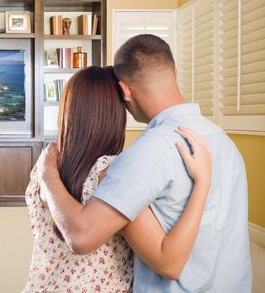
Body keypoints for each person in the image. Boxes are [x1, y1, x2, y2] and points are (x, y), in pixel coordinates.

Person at [36, 34, 252, 292]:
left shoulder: (146, 152)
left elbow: (81, 237)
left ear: (125, 89)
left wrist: (47, 174)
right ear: (174, 71)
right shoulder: (223, 140)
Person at [24, 66, 213, 292]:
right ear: (115, 115)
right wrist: (203, 182)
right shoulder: (111, 173)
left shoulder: (45, 164)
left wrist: (47, 174)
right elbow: (168, 263)